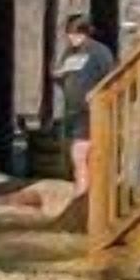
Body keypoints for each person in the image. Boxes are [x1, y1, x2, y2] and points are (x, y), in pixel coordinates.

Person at [56, 12, 117, 207]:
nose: (72, 38)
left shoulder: (99, 52)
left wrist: (98, 94)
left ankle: (82, 197)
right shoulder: (69, 53)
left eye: (76, 35)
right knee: (77, 157)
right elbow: (64, 72)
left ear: (85, 33)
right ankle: (83, 193)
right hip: (72, 112)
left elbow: (112, 78)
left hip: (91, 112)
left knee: (81, 155)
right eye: (69, 34)